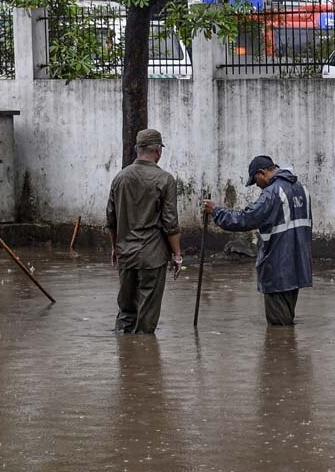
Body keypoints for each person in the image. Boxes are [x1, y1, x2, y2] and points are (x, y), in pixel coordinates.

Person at [201, 156, 312, 326]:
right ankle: (288, 344)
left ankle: (280, 344)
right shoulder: (301, 189)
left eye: (255, 180)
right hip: (298, 266)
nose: (257, 185)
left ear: (262, 173)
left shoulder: (272, 193)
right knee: (286, 320)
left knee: (278, 327)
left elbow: (245, 219)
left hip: (278, 268)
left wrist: (216, 211)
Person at [106, 128, 182, 334]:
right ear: (158, 151)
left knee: (125, 312)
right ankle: (143, 352)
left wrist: (115, 248)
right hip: (152, 256)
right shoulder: (165, 179)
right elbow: (170, 223)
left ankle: (125, 350)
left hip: (126, 254)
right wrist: (177, 254)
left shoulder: (120, 178)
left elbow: (111, 219)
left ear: (137, 149)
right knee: (146, 320)